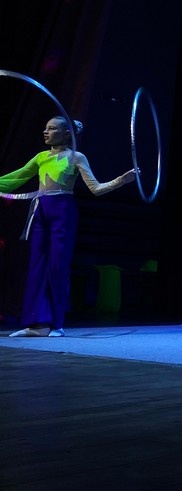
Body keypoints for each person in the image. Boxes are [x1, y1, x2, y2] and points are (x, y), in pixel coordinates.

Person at [1, 116, 137, 337]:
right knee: (36, 266)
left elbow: (96, 189)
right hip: (40, 211)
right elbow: (15, 178)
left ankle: (57, 324)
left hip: (62, 211)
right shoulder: (41, 157)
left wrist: (121, 180)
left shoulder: (76, 157)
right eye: (45, 128)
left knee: (57, 266)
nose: (45, 132)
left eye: (52, 129)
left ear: (66, 134)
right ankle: (36, 324)